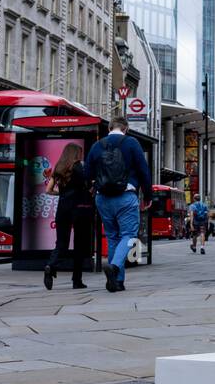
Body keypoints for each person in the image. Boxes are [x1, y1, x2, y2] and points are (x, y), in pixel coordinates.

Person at [86, 116, 152, 293]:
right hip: (125, 196)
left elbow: (88, 172)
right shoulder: (131, 143)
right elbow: (143, 170)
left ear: (109, 128)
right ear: (126, 128)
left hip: (103, 198)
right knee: (129, 235)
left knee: (113, 236)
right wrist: (148, 194)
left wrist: (94, 187)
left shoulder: (97, 145)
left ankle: (117, 282)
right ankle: (114, 266)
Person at [43, 143, 94, 291]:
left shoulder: (59, 168)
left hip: (63, 208)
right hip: (79, 209)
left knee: (61, 242)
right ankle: (76, 280)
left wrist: (63, 194)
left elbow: (48, 190)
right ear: (76, 154)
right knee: (79, 245)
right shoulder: (80, 167)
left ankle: (50, 265)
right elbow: (89, 186)